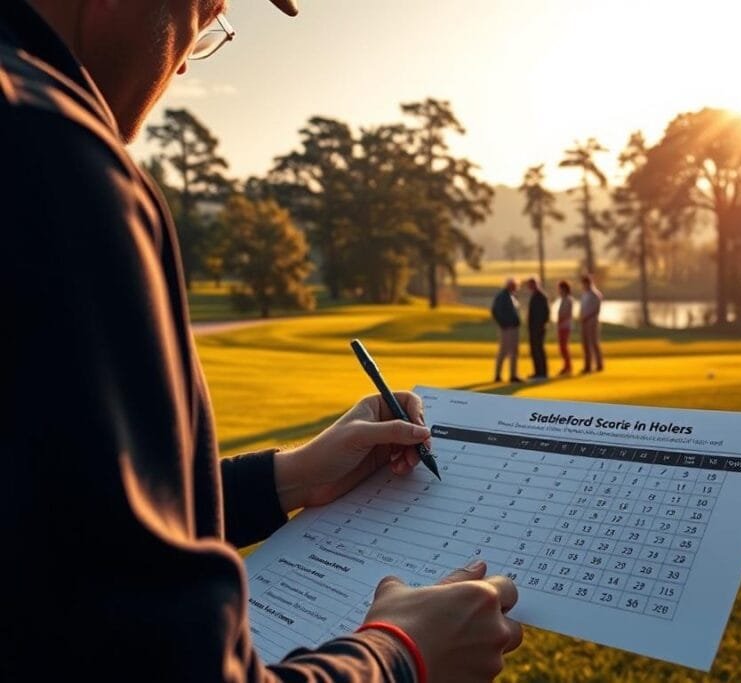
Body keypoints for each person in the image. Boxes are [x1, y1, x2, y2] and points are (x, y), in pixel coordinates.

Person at [1, 2, 521, 681]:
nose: (188, 55)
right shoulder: (54, 155)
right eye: (204, 10)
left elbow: (59, 525)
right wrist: (402, 655)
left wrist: (288, 478)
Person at [491, 277, 523, 383]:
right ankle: (508, 376)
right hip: (508, 328)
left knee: (508, 351)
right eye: (514, 286)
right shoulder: (503, 296)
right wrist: (503, 324)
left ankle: (505, 375)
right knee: (508, 351)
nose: (516, 288)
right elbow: (495, 311)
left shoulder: (509, 296)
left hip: (511, 327)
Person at [524, 277, 550, 380]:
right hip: (533, 328)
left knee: (538, 349)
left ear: (535, 284)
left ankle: (542, 373)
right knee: (534, 350)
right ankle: (537, 372)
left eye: (531, 284)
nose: (529, 287)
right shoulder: (535, 295)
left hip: (538, 328)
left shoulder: (541, 296)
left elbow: (546, 313)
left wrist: (541, 325)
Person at [579, 273, 604, 373]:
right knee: (585, 344)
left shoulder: (595, 294)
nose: (584, 285)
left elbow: (595, 310)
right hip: (584, 322)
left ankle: (599, 364)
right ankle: (587, 365)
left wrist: (586, 317)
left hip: (592, 322)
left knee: (593, 343)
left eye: (585, 283)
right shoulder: (585, 294)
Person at [556, 280, 574, 375]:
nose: (558, 290)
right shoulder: (563, 299)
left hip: (565, 326)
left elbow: (566, 314)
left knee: (564, 347)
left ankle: (568, 366)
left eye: (560, 288)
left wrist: (560, 321)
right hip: (562, 326)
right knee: (562, 347)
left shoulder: (568, 299)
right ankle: (566, 366)